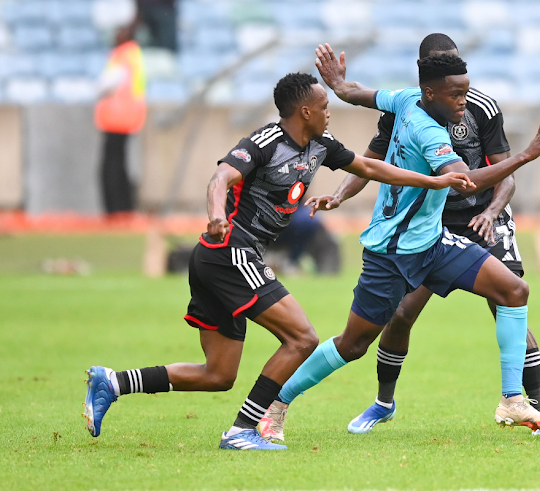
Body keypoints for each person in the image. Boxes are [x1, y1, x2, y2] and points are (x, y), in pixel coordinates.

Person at [83, 72, 474, 451]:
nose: (329, 112)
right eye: (324, 106)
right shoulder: (266, 140)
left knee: (218, 374)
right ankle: (242, 430)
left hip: (224, 259)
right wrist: (216, 214)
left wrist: (435, 181)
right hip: (229, 250)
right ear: (305, 112)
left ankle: (112, 383)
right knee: (302, 338)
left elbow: (369, 167)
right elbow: (220, 179)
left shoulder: (321, 145)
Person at [256, 44, 540, 443]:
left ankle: (512, 399)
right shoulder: (427, 130)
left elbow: (355, 94)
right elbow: (465, 180)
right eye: (456, 95)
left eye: (466, 92)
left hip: (432, 243)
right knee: (353, 343)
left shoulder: (404, 97)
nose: (463, 102)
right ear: (431, 94)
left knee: (514, 290)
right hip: (392, 253)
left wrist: (339, 84)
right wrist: (527, 154)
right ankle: (277, 402)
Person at [95, 25, 147, 217]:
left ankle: (115, 209)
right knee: (121, 163)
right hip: (128, 117)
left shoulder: (122, 56)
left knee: (111, 166)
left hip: (115, 117)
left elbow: (104, 84)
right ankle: (124, 207)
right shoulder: (134, 55)